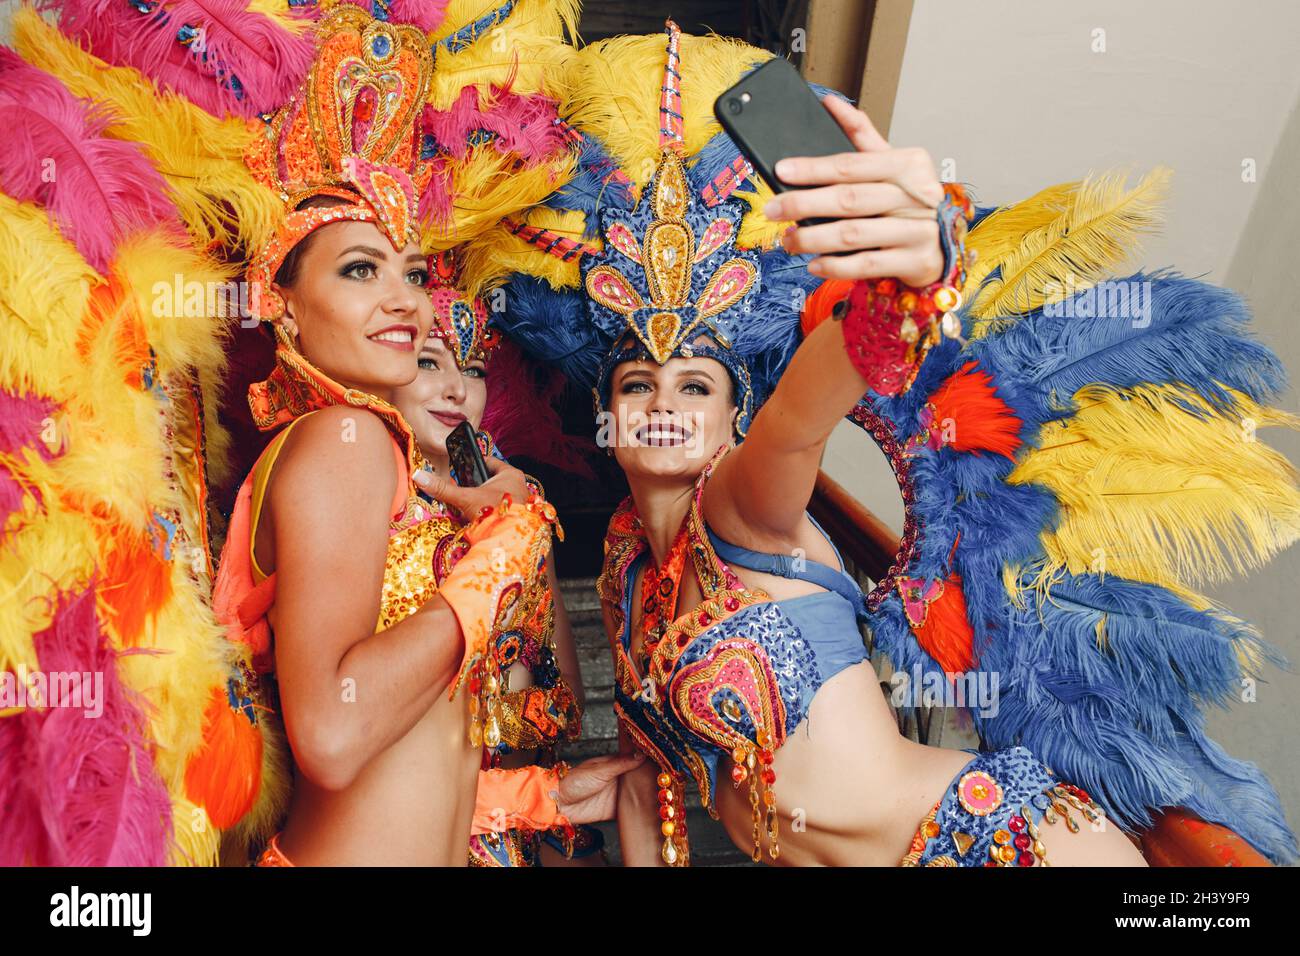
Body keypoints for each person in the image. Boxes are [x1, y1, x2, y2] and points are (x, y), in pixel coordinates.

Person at [477, 21, 1299, 866]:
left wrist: (906, 280)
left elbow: (803, 416)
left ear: (734, 422)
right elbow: (650, 780)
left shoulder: (740, 510)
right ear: (606, 414)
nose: (662, 403)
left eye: (697, 388)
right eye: (637, 385)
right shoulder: (626, 567)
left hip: (993, 845)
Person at [204, 6, 638, 866]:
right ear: (281, 301)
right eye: (359, 270)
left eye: (409, 272)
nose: (403, 299)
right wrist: (498, 562)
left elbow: (397, 739)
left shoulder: (368, 449)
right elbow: (331, 732)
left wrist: (533, 792)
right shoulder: (344, 440)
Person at [391, 263, 606, 865]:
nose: (459, 390)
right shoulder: (359, 500)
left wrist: (517, 528)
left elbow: (559, 700)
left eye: (475, 370)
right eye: (430, 362)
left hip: (510, 828)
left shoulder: (519, 505)